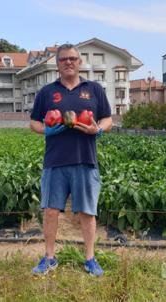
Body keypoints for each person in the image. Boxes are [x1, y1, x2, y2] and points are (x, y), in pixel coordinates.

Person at [29, 43, 112, 276]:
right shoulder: (47, 92)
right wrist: (46, 130)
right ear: (57, 64)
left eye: (72, 58)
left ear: (80, 62)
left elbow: (107, 118)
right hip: (54, 161)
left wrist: (98, 130)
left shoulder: (93, 89)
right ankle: (49, 257)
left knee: (87, 212)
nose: (68, 62)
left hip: (85, 160)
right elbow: (34, 122)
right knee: (50, 211)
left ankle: (90, 258)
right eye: (63, 59)